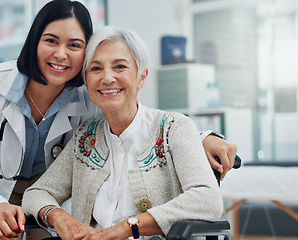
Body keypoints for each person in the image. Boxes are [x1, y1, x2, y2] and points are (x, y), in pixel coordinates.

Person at [0, 1, 236, 239]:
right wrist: (0, 206)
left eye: (74, 45)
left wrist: (201, 138)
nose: (60, 54)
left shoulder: (96, 94)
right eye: (51, 41)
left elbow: (147, 121)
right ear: (35, 42)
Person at [22, 26, 224, 240]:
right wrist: (60, 217)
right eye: (96, 69)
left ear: (141, 77)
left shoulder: (174, 128)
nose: (107, 78)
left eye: (120, 67)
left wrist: (126, 228)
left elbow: (207, 200)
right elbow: (36, 193)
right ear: (86, 79)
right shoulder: (85, 138)